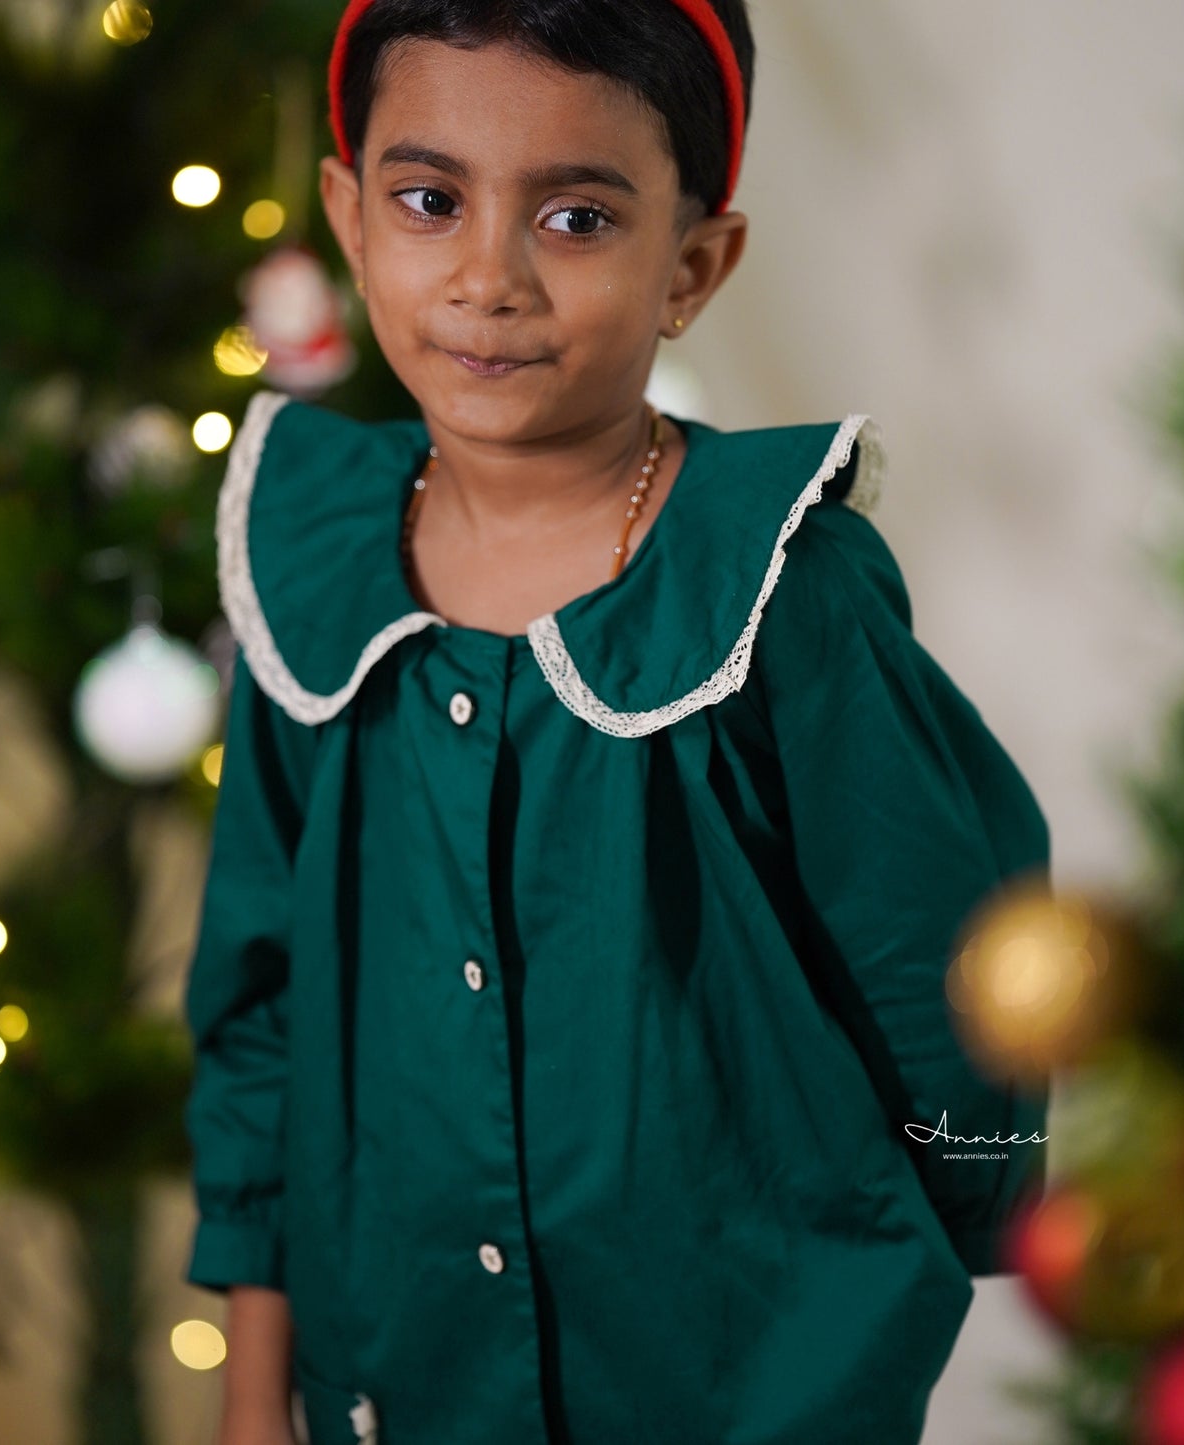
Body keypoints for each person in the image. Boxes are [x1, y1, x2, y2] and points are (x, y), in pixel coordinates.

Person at [181, 2, 1054, 1443]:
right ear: (346, 213)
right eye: (426, 200)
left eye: (577, 218)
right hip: (394, 1391)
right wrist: (253, 1389)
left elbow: (943, 965)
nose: (486, 276)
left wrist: (897, 1269)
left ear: (693, 266)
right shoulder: (308, 568)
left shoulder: (778, 588)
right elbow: (259, 1008)